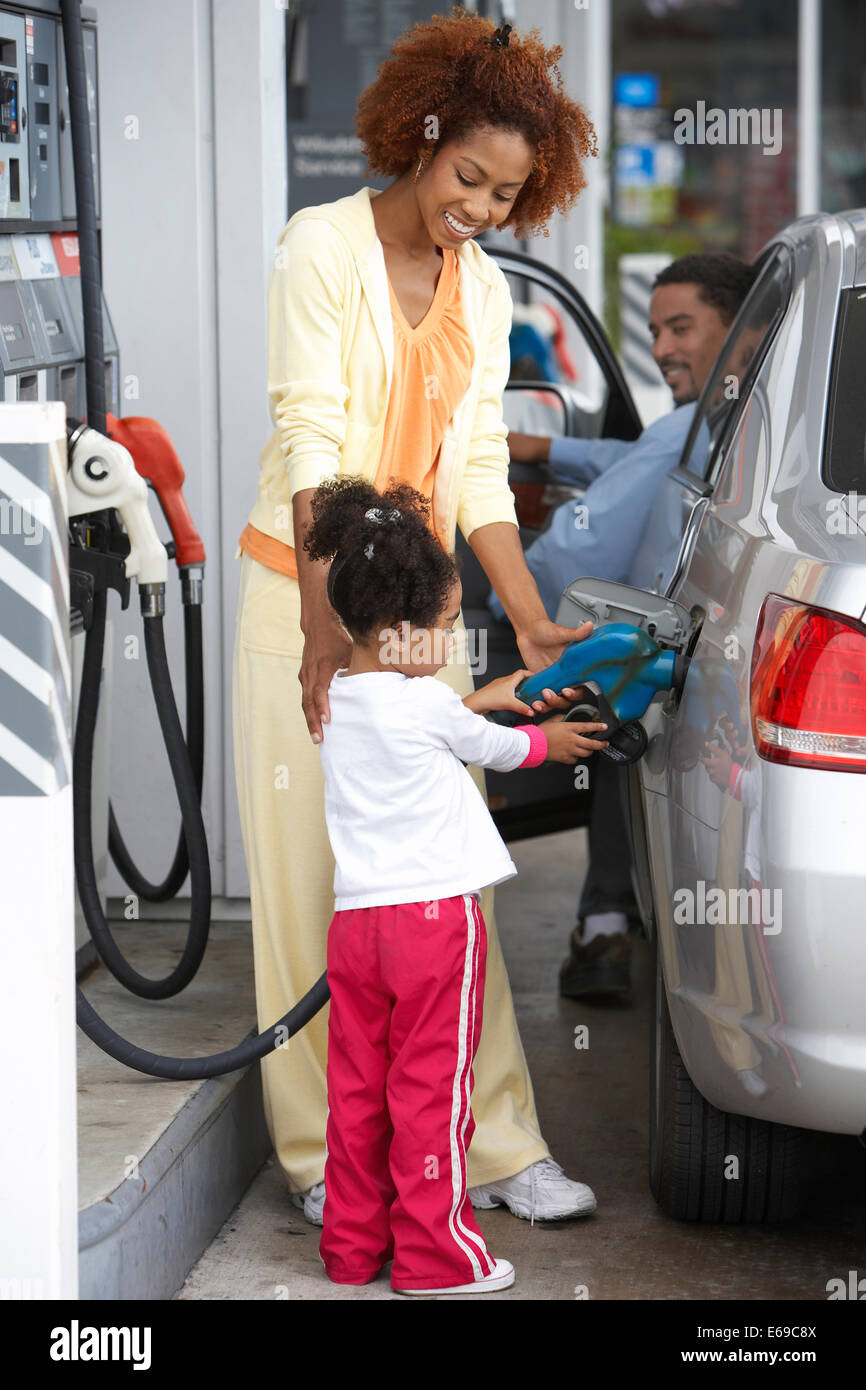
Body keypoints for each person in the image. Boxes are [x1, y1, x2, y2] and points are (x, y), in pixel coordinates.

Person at [231, 10, 601, 1227]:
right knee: (310, 892)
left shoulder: (482, 285)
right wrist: (327, 624)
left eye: (505, 193)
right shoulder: (318, 246)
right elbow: (310, 430)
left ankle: (489, 1145)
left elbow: (482, 460)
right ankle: (322, 1160)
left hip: (416, 623)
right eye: (466, 177)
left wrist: (530, 616)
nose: (481, 209)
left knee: (447, 887)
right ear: (419, 135)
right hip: (302, 603)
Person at [307, 478, 608, 1295]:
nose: (449, 641)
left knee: (359, 1094)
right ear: (400, 633)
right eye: (443, 627)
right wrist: (551, 739)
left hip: (358, 931)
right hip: (435, 929)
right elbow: (502, 750)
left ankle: (352, 1250)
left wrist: (487, 702)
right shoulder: (431, 706)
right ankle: (439, 1261)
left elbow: (426, 723)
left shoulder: (333, 697)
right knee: (432, 1093)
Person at [489, 253, 758, 998]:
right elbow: (648, 454)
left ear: (744, 330)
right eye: (654, 330)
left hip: (687, 650)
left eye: (681, 327)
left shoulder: (693, 425)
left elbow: (580, 546)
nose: (663, 347)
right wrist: (549, 449)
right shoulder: (751, 416)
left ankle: (607, 928)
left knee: (615, 721)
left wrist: (519, 608)